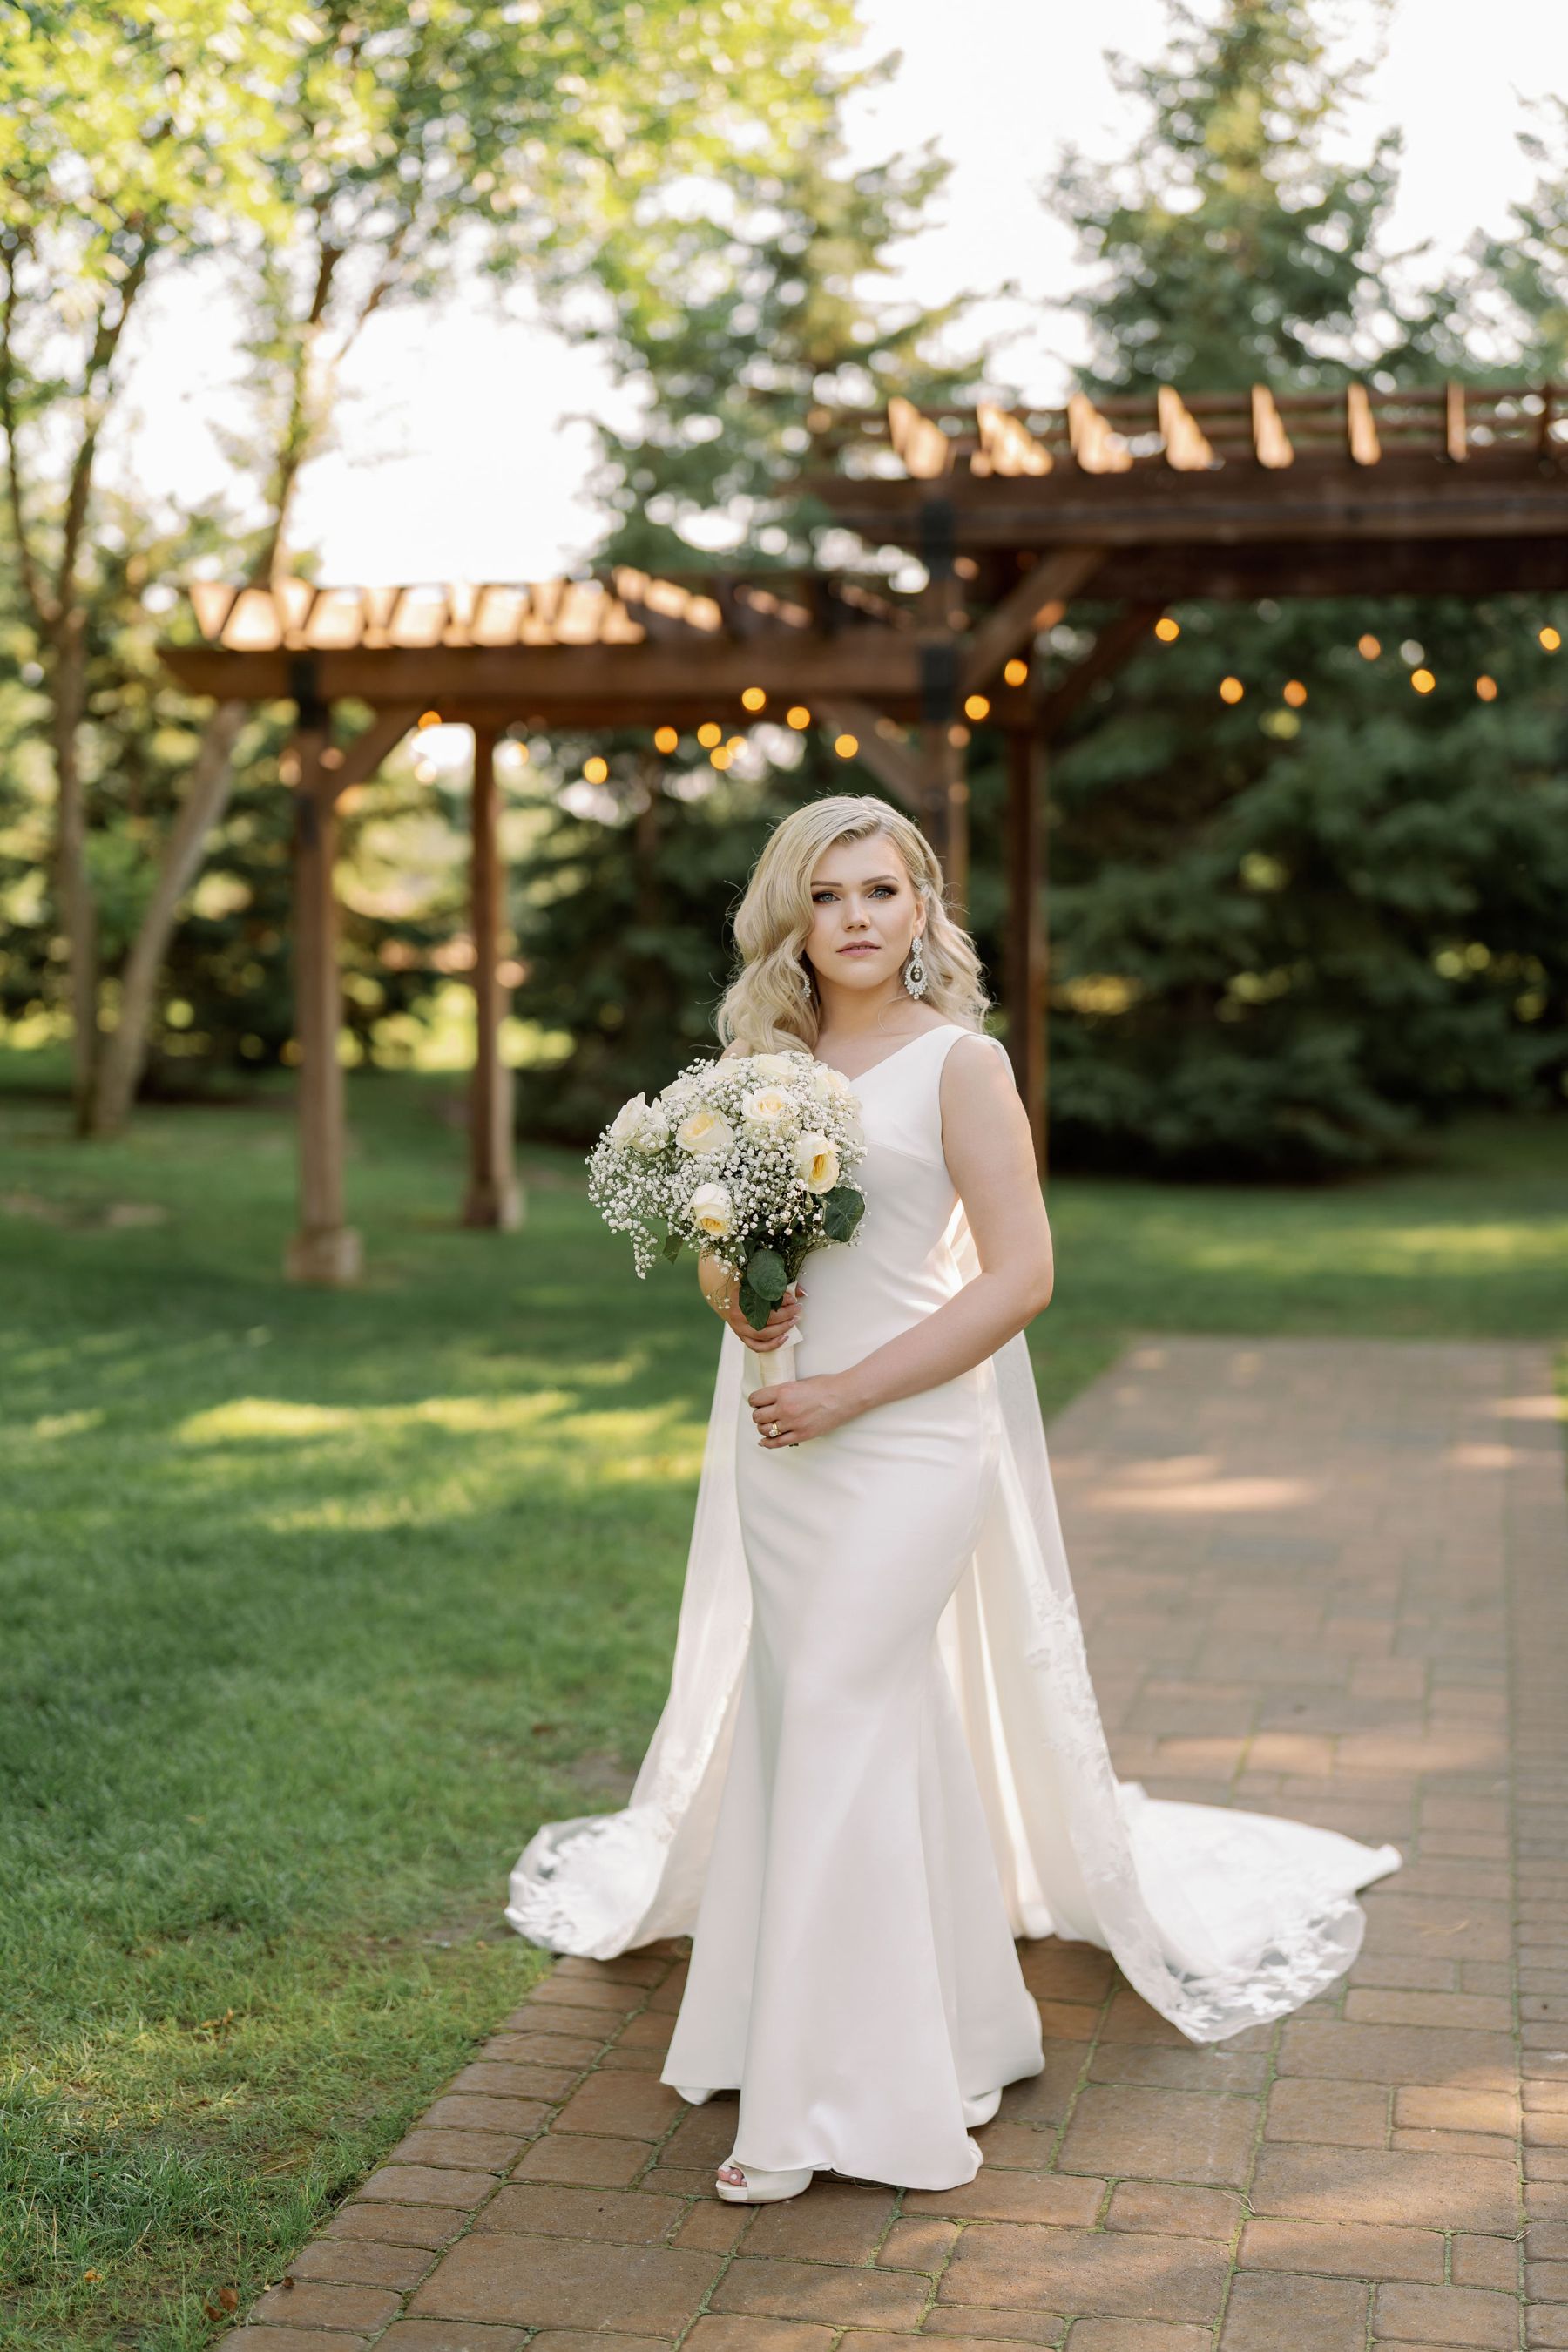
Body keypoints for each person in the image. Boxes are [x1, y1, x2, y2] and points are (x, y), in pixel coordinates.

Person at [508, 792, 1399, 2207]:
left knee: (840, 1710)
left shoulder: (961, 1065)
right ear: (791, 919)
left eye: (880, 890)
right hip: (784, 1439)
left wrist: (855, 1391)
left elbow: (1021, 1275)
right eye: (826, 895)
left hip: (910, 1436)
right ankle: (946, 2023)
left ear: (922, 907)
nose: (855, 918)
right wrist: (739, 1297)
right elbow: (721, 1246)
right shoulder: (762, 1065)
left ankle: (825, 2106)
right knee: (832, 1720)